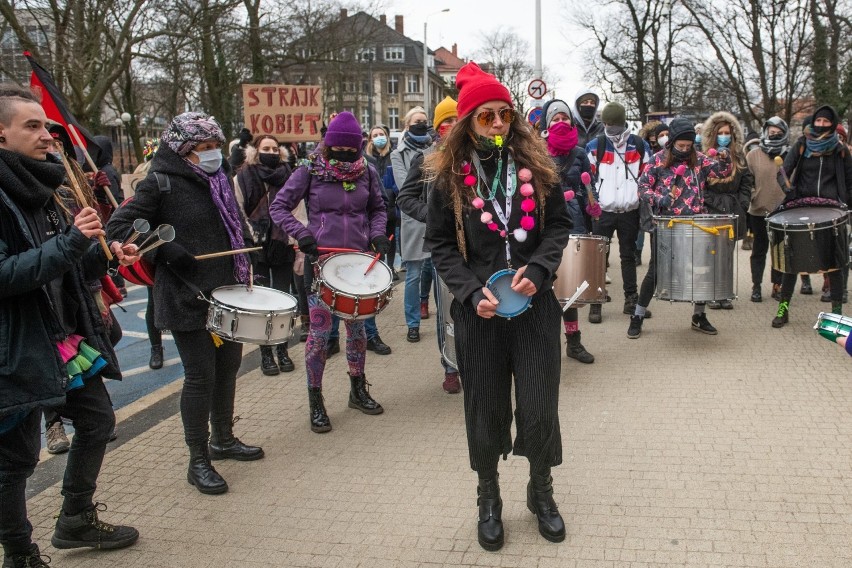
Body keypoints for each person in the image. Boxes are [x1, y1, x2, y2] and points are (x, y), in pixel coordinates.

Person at [424, 63, 572, 550]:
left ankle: (541, 491)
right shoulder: (448, 180)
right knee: (484, 408)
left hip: (534, 311)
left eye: (503, 115)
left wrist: (542, 269)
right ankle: (488, 497)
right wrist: (469, 292)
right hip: (480, 315)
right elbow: (441, 245)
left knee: (538, 404)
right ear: (468, 122)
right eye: (485, 117)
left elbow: (558, 227)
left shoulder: (538, 168)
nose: (497, 126)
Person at [0, 84, 140, 567]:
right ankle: (19, 554)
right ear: (1, 134)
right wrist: (70, 244)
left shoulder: (52, 186)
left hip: (64, 335)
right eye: (32, 126)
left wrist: (108, 260)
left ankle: (75, 519)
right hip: (17, 345)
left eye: (47, 127)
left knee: (98, 420)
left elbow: (73, 269)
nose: (47, 136)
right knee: (14, 462)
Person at [108, 112, 265, 495]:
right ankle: (198, 460)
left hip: (226, 291)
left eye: (215, 146)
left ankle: (223, 439)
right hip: (185, 295)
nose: (212, 154)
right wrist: (163, 250)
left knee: (228, 368)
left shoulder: (220, 180)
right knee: (200, 376)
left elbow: (232, 223)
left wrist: (248, 249)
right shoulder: (159, 183)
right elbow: (120, 227)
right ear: (182, 150)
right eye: (202, 149)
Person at [269, 111, 388, 434]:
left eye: (352, 151)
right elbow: (278, 207)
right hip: (321, 264)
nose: (347, 156)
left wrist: (377, 232)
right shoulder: (308, 170)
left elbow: (378, 208)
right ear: (329, 145)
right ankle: (316, 399)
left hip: (358, 265)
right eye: (340, 150)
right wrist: (302, 232)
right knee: (319, 338)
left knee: (358, 332)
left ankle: (358, 389)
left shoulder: (368, 172)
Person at [628, 117, 733, 338]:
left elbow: (722, 173)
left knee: (702, 269)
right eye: (680, 146)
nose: (685, 150)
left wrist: (725, 159)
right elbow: (642, 188)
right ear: (671, 142)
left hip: (696, 224)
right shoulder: (658, 160)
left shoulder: (700, 160)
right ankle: (637, 315)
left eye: (688, 146)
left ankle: (699, 316)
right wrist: (659, 199)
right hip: (668, 225)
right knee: (655, 271)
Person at [397, 96, 463, 392]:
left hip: (476, 246)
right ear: (438, 127)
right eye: (444, 122)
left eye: (455, 120)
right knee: (446, 309)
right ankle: (449, 366)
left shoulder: (475, 156)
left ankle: (476, 363)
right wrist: (432, 216)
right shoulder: (425, 159)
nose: (450, 126)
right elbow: (405, 198)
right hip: (442, 248)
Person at [771, 105, 852, 327]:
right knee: (792, 264)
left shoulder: (840, 150)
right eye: (819, 121)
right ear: (813, 122)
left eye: (827, 122)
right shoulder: (802, 145)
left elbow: (849, 181)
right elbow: (783, 171)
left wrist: (846, 206)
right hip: (801, 206)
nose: (822, 125)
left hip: (831, 209)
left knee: (835, 265)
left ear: (833, 124)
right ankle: (783, 310)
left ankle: (836, 315)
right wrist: (788, 188)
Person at [537, 98, 595, 363]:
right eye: (555, 119)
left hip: (574, 224)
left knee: (569, 287)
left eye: (565, 119)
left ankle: (574, 342)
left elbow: (589, 188)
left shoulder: (581, 153)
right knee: (545, 287)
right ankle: (543, 346)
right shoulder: (537, 152)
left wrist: (592, 205)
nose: (561, 123)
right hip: (544, 228)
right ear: (547, 125)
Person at [234, 134, 296, 375]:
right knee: (260, 302)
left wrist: (296, 237)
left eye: (274, 148)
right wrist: (250, 237)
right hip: (256, 247)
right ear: (255, 151)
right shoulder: (242, 176)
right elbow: (237, 210)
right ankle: (266, 354)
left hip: (282, 244)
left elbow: (297, 207)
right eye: (265, 148)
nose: (270, 151)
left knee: (283, 299)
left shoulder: (288, 176)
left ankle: (282, 349)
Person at [586, 102, 650, 324]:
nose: (612, 128)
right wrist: (593, 203)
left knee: (628, 256)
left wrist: (642, 200)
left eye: (615, 124)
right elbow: (587, 181)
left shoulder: (639, 146)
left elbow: (647, 177)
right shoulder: (596, 146)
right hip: (603, 211)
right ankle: (596, 301)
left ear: (624, 123)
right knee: (598, 258)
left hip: (629, 210)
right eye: (608, 124)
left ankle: (631, 300)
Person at [701, 111, 754, 310]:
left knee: (727, 255)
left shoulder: (738, 157)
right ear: (713, 135)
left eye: (727, 132)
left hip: (733, 209)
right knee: (710, 254)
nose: (724, 135)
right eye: (720, 132)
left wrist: (742, 203)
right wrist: (712, 202)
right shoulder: (704, 157)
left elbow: (747, 182)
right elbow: (699, 185)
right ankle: (710, 292)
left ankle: (724, 292)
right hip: (710, 211)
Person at [392, 106, 434, 343]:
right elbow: (403, 184)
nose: (421, 124)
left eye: (424, 121)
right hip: (414, 218)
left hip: (435, 219)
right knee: (414, 273)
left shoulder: (435, 148)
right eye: (416, 121)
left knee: (436, 270)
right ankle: (412, 323)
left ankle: (438, 315)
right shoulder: (398, 154)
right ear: (407, 126)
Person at [745, 117, 789, 303]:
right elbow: (747, 182)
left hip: (782, 211)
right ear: (765, 132)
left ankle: (777, 285)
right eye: (771, 131)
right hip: (758, 210)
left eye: (778, 132)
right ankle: (756, 286)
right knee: (759, 249)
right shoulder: (753, 155)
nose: (774, 134)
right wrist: (754, 196)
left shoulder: (790, 154)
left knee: (779, 250)